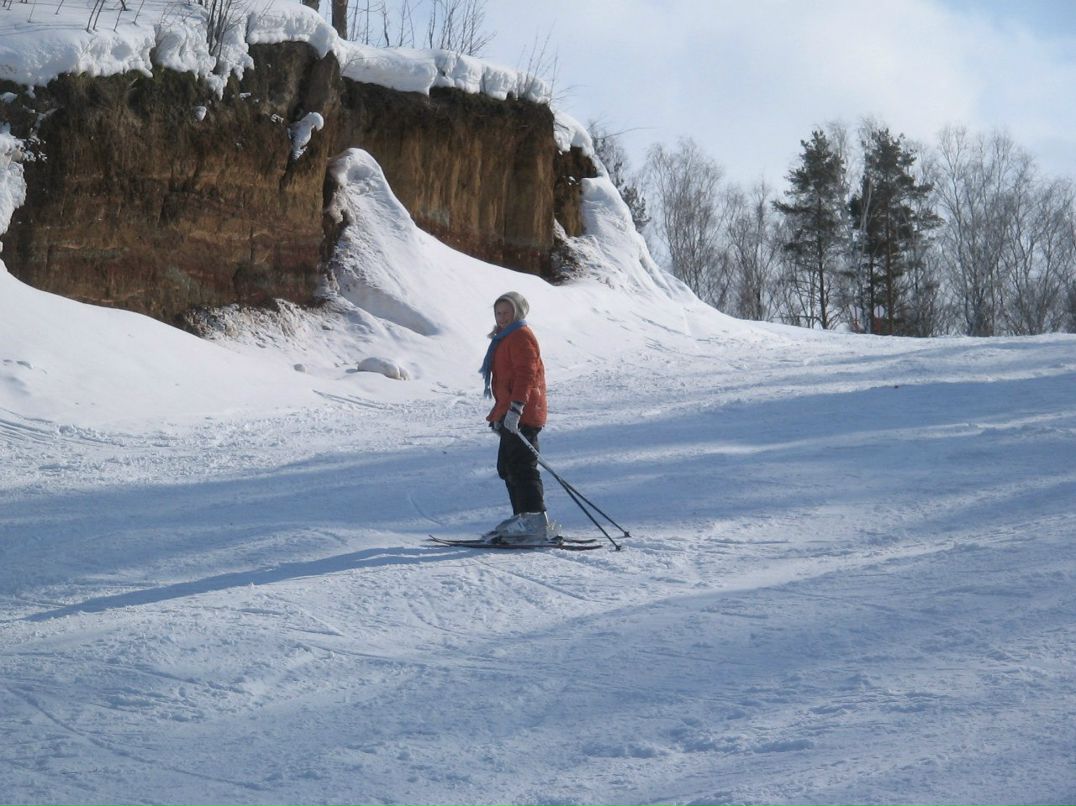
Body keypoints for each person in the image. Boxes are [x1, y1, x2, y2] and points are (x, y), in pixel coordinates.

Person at [478, 291, 557, 542]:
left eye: (507, 312)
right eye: (498, 313)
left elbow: (527, 375)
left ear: (518, 312)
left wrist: (516, 408)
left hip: (523, 413)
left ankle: (535, 520)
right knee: (507, 467)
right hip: (511, 412)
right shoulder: (504, 337)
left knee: (522, 467)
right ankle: (523, 517)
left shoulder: (521, 336)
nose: (502, 317)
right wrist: (501, 413)